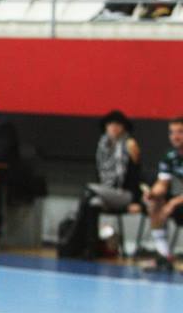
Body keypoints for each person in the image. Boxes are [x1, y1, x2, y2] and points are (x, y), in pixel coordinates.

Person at [58, 110, 141, 259]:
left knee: (88, 190)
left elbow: (136, 174)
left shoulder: (130, 144)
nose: (114, 127)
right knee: (92, 203)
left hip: (124, 194)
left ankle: (71, 242)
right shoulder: (102, 146)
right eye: (110, 124)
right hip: (105, 192)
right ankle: (90, 249)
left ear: (123, 127)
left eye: (118, 124)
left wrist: (136, 201)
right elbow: (100, 175)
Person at [142, 117, 183, 272]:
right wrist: (152, 193)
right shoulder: (170, 155)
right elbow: (162, 184)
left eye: (180, 132)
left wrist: (173, 203)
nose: (175, 136)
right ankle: (164, 256)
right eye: (172, 132)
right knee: (154, 203)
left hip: (179, 201)